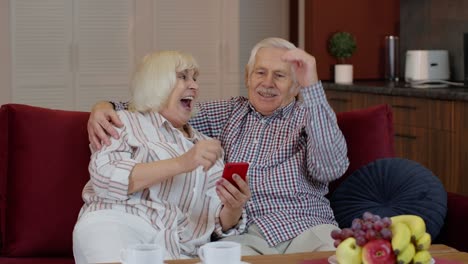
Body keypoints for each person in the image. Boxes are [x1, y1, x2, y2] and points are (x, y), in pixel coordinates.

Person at [87, 38, 350, 255]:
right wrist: (104, 107)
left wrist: (313, 88)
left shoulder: (311, 116)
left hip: (307, 229)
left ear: (295, 86)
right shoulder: (226, 112)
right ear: (247, 76)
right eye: (260, 72)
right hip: (245, 236)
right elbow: (161, 106)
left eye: (280, 76)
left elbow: (330, 168)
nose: (267, 83)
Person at [73, 51, 250, 263]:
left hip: (180, 248)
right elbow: (105, 178)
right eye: (183, 77)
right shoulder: (125, 122)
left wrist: (233, 207)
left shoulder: (205, 145)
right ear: (157, 83)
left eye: (195, 78)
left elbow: (215, 224)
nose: (194, 85)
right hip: (120, 225)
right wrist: (182, 162)